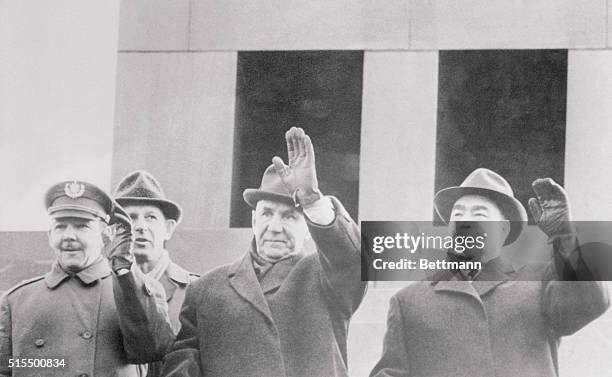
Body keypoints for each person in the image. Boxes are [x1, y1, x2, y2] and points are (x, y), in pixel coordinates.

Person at [160, 127, 367, 377]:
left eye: (289, 216)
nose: (275, 227)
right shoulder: (205, 289)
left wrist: (312, 201)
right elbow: (183, 360)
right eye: (267, 214)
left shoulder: (326, 277)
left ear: (307, 228)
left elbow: (354, 261)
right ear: (253, 220)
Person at [370, 168, 610, 377]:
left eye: (479, 215)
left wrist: (565, 236)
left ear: (503, 229)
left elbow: (591, 301)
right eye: (458, 214)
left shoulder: (538, 285)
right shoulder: (409, 301)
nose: (465, 222)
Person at [0, 180, 174, 377]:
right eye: (60, 226)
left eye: (82, 226)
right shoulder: (17, 300)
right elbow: (7, 369)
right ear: (49, 235)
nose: (69, 236)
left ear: (106, 235)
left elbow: (152, 351)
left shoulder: (135, 291)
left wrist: (124, 270)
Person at [114, 171, 199, 377]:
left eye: (151, 217)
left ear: (168, 229)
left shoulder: (195, 290)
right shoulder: (101, 289)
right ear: (115, 228)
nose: (141, 227)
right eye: (131, 218)